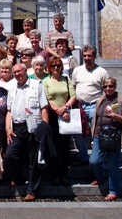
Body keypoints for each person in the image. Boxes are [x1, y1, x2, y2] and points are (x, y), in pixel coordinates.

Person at [3, 63, 50, 201]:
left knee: (34, 160)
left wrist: (44, 128)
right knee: (10, 156)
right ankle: (18, 179)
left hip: (33, 127)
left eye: (20, 71)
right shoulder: (11, 87)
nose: (18, 74)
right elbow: (9, 110)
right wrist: (7, 128)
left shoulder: (37, 85)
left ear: (25, 71)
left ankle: (32, 190)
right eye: (15, 72)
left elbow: (44, 108)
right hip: (16, 128)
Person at [90, 77, 122, 201]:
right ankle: (100, 178)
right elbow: (96, 117)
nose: (108, 89)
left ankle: (114, 190)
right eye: (105, 87)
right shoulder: (101, 99)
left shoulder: (120, 101)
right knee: (94, 160)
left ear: (115, 87)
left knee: (113, 164)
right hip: (99, 135)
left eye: (110, 86)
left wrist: (117, 117)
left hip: (113, 135)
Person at [71, 44, 109, 165]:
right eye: (85, 55)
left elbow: (107, 90)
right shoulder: (77, 71)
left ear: (94, 56)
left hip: (95, 106)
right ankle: (83, 156)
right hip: (80, 106)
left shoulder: (102, 72)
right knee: (78, 133)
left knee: (97, 133)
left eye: (89, 56)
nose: (87, 58)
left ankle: (97, 158)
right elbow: (73, 87)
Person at [42, 56, 76, 186]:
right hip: (52, 116)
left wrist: (65, 108)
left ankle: (64, 174)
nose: (56, 68)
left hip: (65, 115)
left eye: (58, 65)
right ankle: (55, 174)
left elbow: (73, 95)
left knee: (65, 147)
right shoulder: (46, 81)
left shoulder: (66, 79)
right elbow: (45, 98)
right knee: (53, 147)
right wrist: (57, 110)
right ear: (49, 68)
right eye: (53, 66)